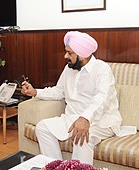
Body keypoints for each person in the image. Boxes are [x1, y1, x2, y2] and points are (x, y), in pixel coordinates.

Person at [21, 31, 124, 165]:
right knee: (42, 127)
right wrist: (35, 92)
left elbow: (102, 98)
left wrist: (85, 118)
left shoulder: (102, 69)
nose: (65, 56)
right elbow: (59, 91)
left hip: (101, 121)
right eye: (66, 52)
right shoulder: (69, 69)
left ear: (84, 54)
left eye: (70, 53)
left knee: (81, 137)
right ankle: (57, 167)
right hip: (72, 118)